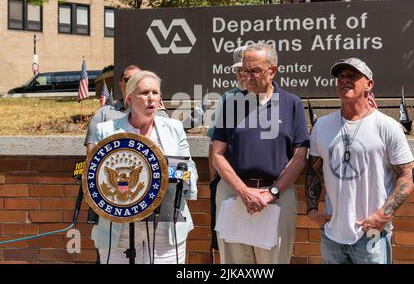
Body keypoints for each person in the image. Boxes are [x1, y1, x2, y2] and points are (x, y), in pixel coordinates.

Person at [306, 57, 414, 264]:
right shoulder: (322, 126)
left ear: (369, 84)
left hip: (371, 233)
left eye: (352, 76)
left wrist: (382, 216)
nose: (344, 80)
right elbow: (314, 170)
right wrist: (312, 211)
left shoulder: (387, 126)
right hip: (332, 235)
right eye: (341, 77)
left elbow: (407, 175)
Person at [211, 43, 310, 264]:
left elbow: (299, 155)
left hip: (276, 197)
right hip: (234, 195)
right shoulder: (231, 103)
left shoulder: (291, 103)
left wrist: (272, 192)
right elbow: (217, 154)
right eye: (244, 70)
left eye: (254, 70)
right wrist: (243, 191)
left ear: (272, 70)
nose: (247, 76)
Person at [90, 71, 198, 264]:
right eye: (144, 93)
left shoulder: (174, 128)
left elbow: (188, 166)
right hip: (119, 230)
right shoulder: (105, 130)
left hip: (166, 226)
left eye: (155, 93)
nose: (151, 98)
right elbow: (96, 175)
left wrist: (183, 182)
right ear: (129, 99)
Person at [206, 46, 247, 262]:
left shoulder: (275, 99)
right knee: (224, 241)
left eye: (246, 69)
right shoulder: (227, 98)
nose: (242, 74)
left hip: (260, 186)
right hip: (228, 183)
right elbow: (214, 142)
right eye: (238, 70)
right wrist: (214, 181)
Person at [85, 65, 168, 155]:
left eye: (138, 80)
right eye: (128, 79)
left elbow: (169, 148)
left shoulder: (158, 113)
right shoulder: (103, 113)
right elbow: (92, 151)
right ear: (121, 84)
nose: (133, 83)